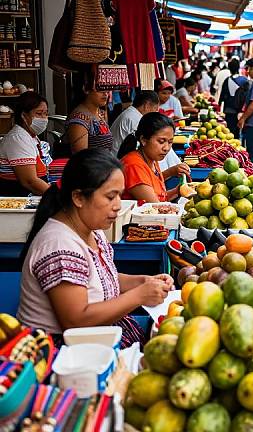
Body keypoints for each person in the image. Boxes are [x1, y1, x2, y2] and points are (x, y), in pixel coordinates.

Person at [17, 149, 172, 347]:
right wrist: (139, 295)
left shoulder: (92, 231)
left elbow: (100, 280)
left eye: (119, 195)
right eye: (110, 197)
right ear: (79, 198)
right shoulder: (59, 246)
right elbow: (76, 321)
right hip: (65, 352)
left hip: (99, 335)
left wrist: (142, 281)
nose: (118, 205)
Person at [118, 113, 181, 202]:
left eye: (170, 142)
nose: (166, 148)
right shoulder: (133, 166)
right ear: (143, 140)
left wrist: (178, 191)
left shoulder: (152, 159)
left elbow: (160, 197)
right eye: (161, 141)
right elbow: (155, 206)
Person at [0, 92, 50, 196]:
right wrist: (59, 197)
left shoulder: (30, 136)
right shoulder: (17, 139)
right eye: (39, 113)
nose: (44, 118)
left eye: (46, 114)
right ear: (23, 115)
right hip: (18, 203)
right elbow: (30, 181)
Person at [64, 74, 112, 154]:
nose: (105, 93)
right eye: (100, 88)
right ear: (86, 89)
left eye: (106, 89)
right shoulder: (78, 120)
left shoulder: (101, 113)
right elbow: (81, 157)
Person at [110, 91, 159, 156]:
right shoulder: (135, 118)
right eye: (155, 109)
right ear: (146, 106)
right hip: (118, 159)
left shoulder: (132, 113)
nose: (155, 113)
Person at [218, 58, 248, 139]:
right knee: (239, 133)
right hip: (241, 112)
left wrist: (219, 110)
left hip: (229, 111)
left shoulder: (227, 80)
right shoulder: (244, 80)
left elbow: (221, 97)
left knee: (230, 133)